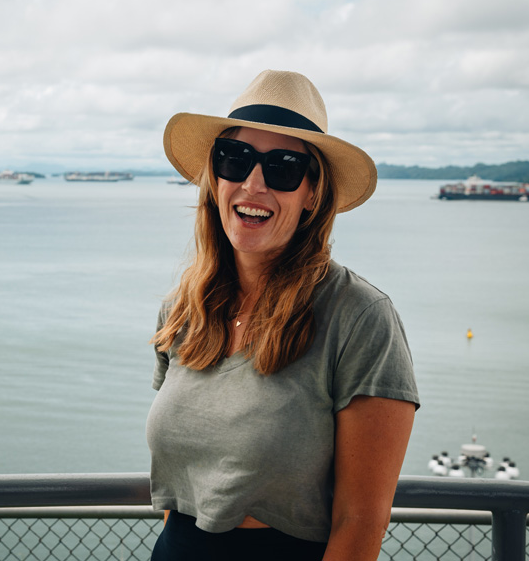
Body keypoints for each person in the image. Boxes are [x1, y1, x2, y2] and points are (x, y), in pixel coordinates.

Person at [146, 70, 420, 561]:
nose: (253, 184)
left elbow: (361, 522)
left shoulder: (360, 319)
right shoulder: (183, 311)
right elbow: (181, 494)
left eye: (283, 168)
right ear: (215, 177)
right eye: (235, 159)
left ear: (313, 193)